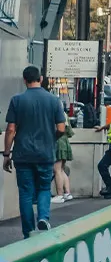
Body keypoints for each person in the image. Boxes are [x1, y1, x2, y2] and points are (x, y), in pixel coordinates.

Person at [4, 66, 66, 238]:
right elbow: (61, 127)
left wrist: (6, 154)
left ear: (24, 80)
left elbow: (10, 129)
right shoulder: (53, 100)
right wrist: (51, 137)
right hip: (45, 153)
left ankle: (28, 231)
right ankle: (44, 218)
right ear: (41, 78)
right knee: (44, 188)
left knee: (25, 192)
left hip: (22, 154)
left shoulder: (17, 100)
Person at [51, 104, 75, 204]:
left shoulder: (55, 114)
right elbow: (70, 132)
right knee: (61, 169)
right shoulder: (64, 114)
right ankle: (67, 193)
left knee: (57, 170)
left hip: (58, 142)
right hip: (65, 142)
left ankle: (59, 195)